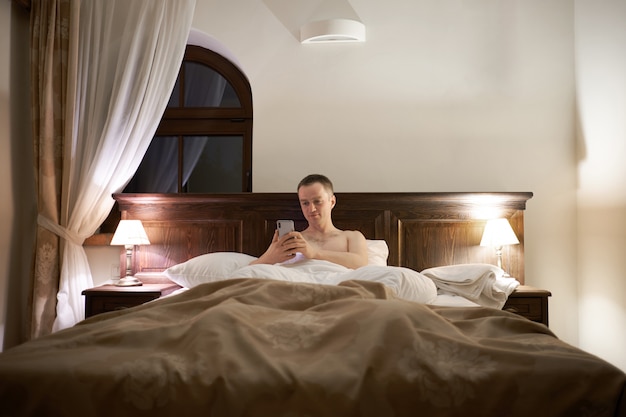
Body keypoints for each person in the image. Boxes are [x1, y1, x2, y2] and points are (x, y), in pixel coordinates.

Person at [251, 174, 369, 269]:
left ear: (332, 202)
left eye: (317, 201)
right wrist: (270, 257)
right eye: (305, 203)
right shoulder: (293, 240)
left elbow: (361, 263)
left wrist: (314, 253)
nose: (311, 209)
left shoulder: (352, 236)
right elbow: (248, 270)